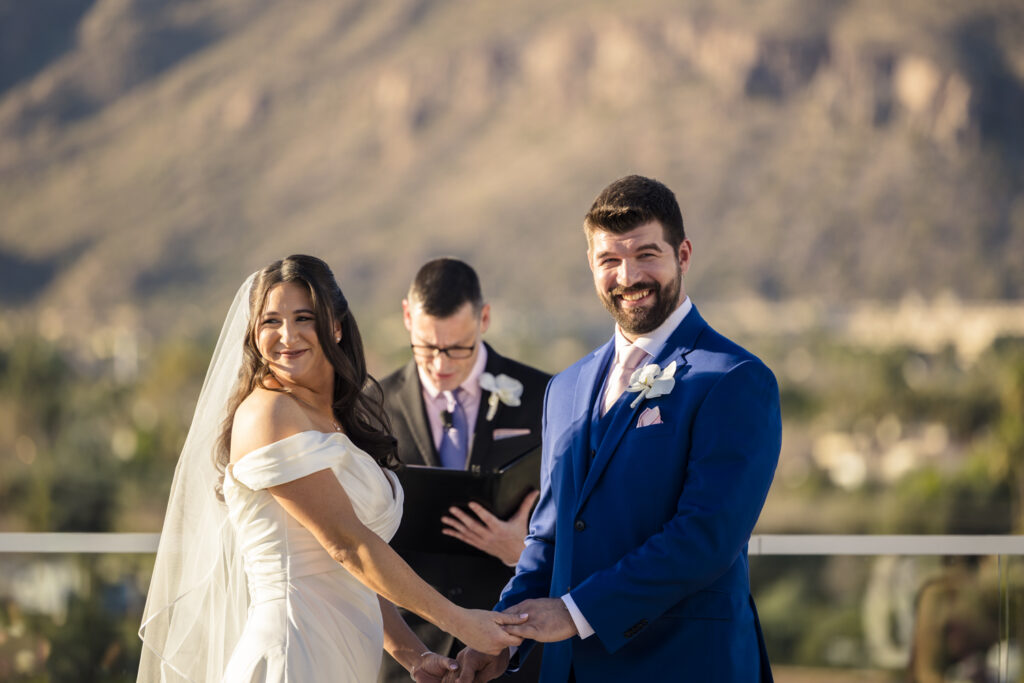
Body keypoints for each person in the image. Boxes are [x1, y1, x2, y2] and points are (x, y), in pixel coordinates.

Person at [456, 175, 783, 682]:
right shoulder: (564, 388)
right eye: (610, 260)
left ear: (684, 254)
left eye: (647, 254)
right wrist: (502, 634)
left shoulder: (736, 379)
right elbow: (548, 537)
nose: (628, 276)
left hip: (687, 664)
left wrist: (575, 612)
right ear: (592, 265)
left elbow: (706, 536)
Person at [138, 255, 525, 682]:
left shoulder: (333, 417)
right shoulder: (269, 415)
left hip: (343, 653)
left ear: (336, 325)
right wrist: (461, 623)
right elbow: (348, 545)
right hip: (293, 650)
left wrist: (414, 655)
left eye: (304, 317)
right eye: (270, 321)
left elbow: (347, 570)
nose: (287, 336)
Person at [377, 258, 550, 683]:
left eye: (458, 348)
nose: (440, 364)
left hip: (515, 645)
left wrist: (522, 549)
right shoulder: (369, 406)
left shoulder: (546, 395)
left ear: (484, 318)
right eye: (426, 347)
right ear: (406, 317)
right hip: (411, 653)